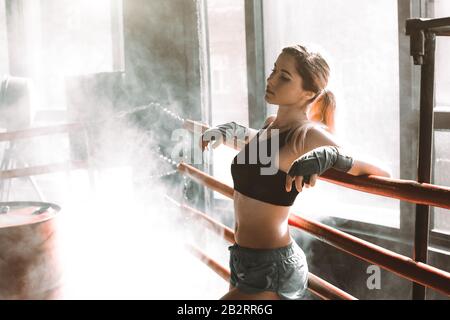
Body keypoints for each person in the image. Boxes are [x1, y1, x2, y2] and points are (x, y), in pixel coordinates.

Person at [200, 44, 391, 300]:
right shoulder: (270, 126)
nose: (271, 79)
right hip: (243, 260)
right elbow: (263, 151)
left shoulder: (307, 135)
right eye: (274, 71)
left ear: (308, 93)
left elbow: (384, 173)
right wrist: (230, 132)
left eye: (284, 77)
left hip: (273, 270)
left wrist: (330, 154)